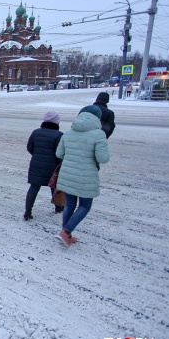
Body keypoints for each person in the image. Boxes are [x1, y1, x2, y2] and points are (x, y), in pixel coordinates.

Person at [55, 105, 110, 246]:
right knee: (84, 206)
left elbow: (59, 154)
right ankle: (66, 232)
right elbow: (103, 158)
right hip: (86, 177)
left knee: (70, 204)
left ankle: (66, 234)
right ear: (97, 118)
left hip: (68, 174)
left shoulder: (68, 133)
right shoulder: (98, 134)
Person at [24, 111, 63, 221]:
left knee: (34, 187)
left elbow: (29, 148)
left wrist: (37, 156)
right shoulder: (59, 135)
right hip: (53, 167)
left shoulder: (35, 132)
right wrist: (59, 164)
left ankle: (28, 211)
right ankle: (58, 207)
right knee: (54, 186)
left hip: (36, 164)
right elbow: (59, 153)